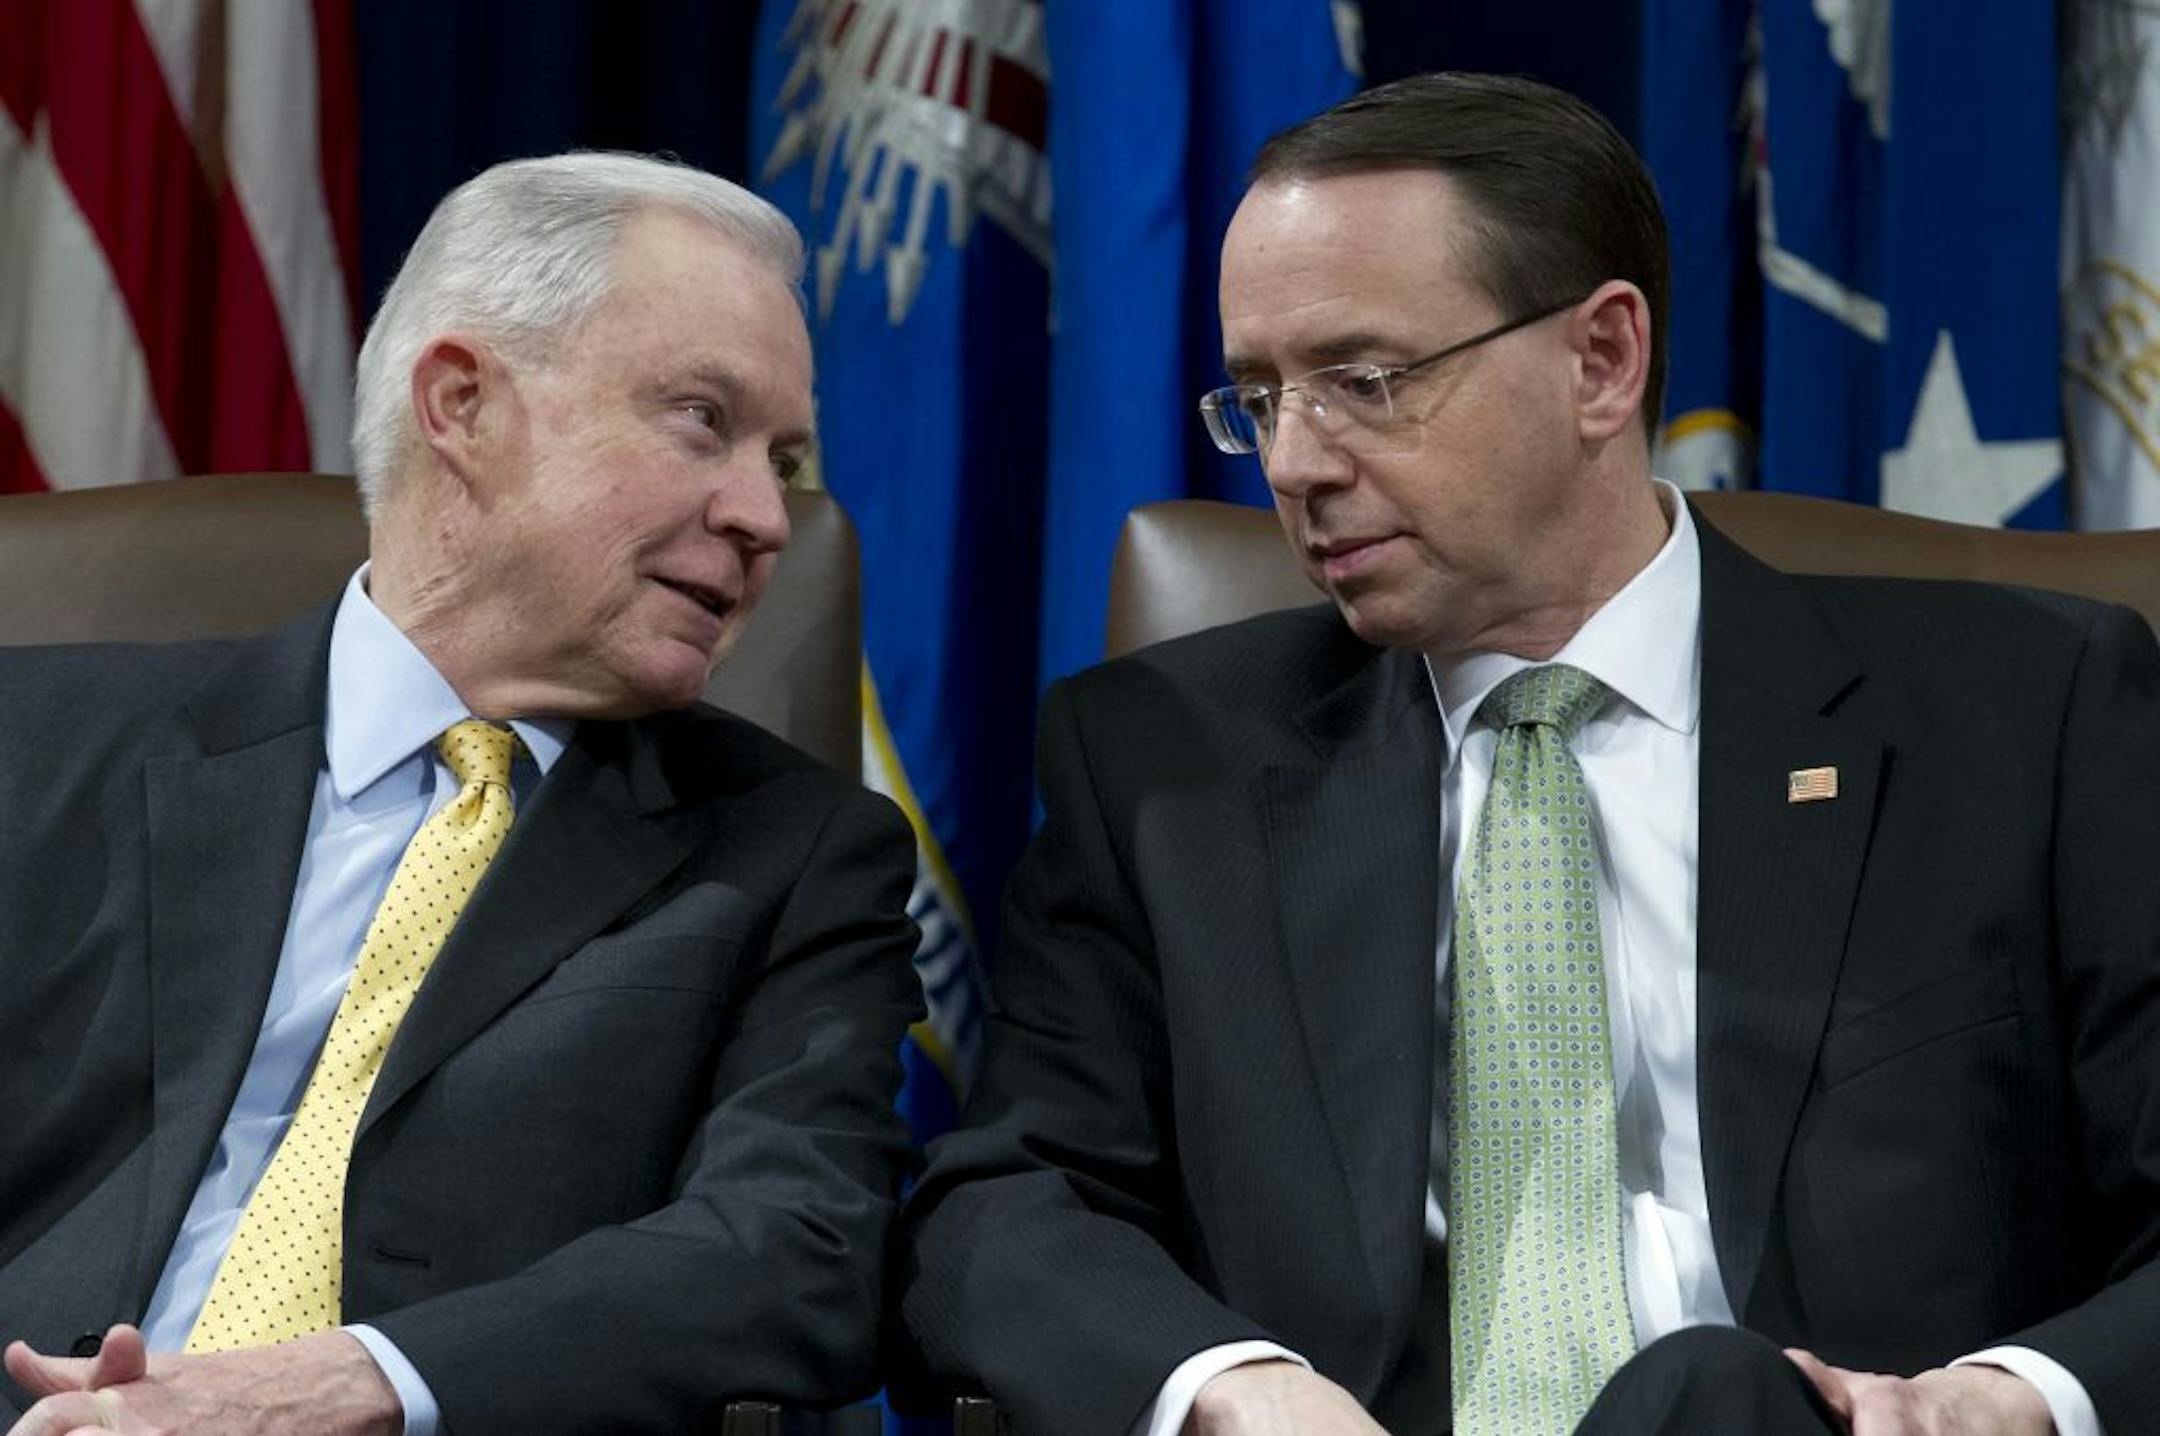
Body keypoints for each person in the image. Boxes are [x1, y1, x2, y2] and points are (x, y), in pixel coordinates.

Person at [896, 73, 2160, 1436]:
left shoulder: (2027, 715)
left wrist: (2014, 1398)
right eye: (1258, 398)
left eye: (1363, 382)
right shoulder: (1161, 766)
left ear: (1602, 362)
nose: (1295, 463)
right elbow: (1001, 1205)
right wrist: (1231, 1389)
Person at [0, 153, 924, 1435]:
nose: (767, 512)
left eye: (787, 455)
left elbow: (798, 1246)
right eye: (704, 419)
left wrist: (353, 1381)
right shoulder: (29, 744)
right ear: (463, 403)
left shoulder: (793, 853)